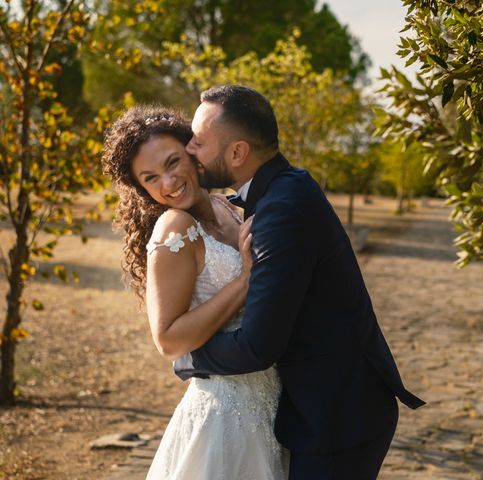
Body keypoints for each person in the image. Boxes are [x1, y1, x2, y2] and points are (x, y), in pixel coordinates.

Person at [176, 84, 425, 479]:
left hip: (337, 416)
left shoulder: (281, 209)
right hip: (329, 404)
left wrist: (189, 356)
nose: (190, 150)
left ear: (238, 152)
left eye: (199, 142)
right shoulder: (283, 187)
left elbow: (259, 345)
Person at [101, 105, 288, 479]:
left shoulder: (226, 205)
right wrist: (245, 283)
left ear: (193, 151)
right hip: (224, 413)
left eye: (173, 163)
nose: (168, 184)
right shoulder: (174, 227)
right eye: (151, 178)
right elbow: (168, 339)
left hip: (269, 399)